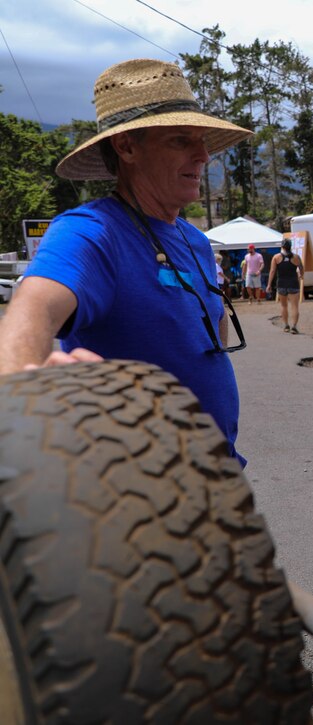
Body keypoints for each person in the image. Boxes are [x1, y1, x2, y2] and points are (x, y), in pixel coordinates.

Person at [0, 58, 252, 463]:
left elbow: (210, 321)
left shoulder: (194, 240)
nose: (204, 155)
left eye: (202, 140)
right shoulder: (91, 231)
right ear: (127, 146)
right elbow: (32, 308)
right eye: (181, 140)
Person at [267, 239, 303, 334]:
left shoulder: (276, 257)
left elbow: (272, 271)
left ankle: (286, 325)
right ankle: (294, 326)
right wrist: (301, 276)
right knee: (295, 306)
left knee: (284, 306)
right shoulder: (296, 257)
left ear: (282, 246)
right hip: (293, 283)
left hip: (281, 283)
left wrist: (269, 284)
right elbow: (301, 268)